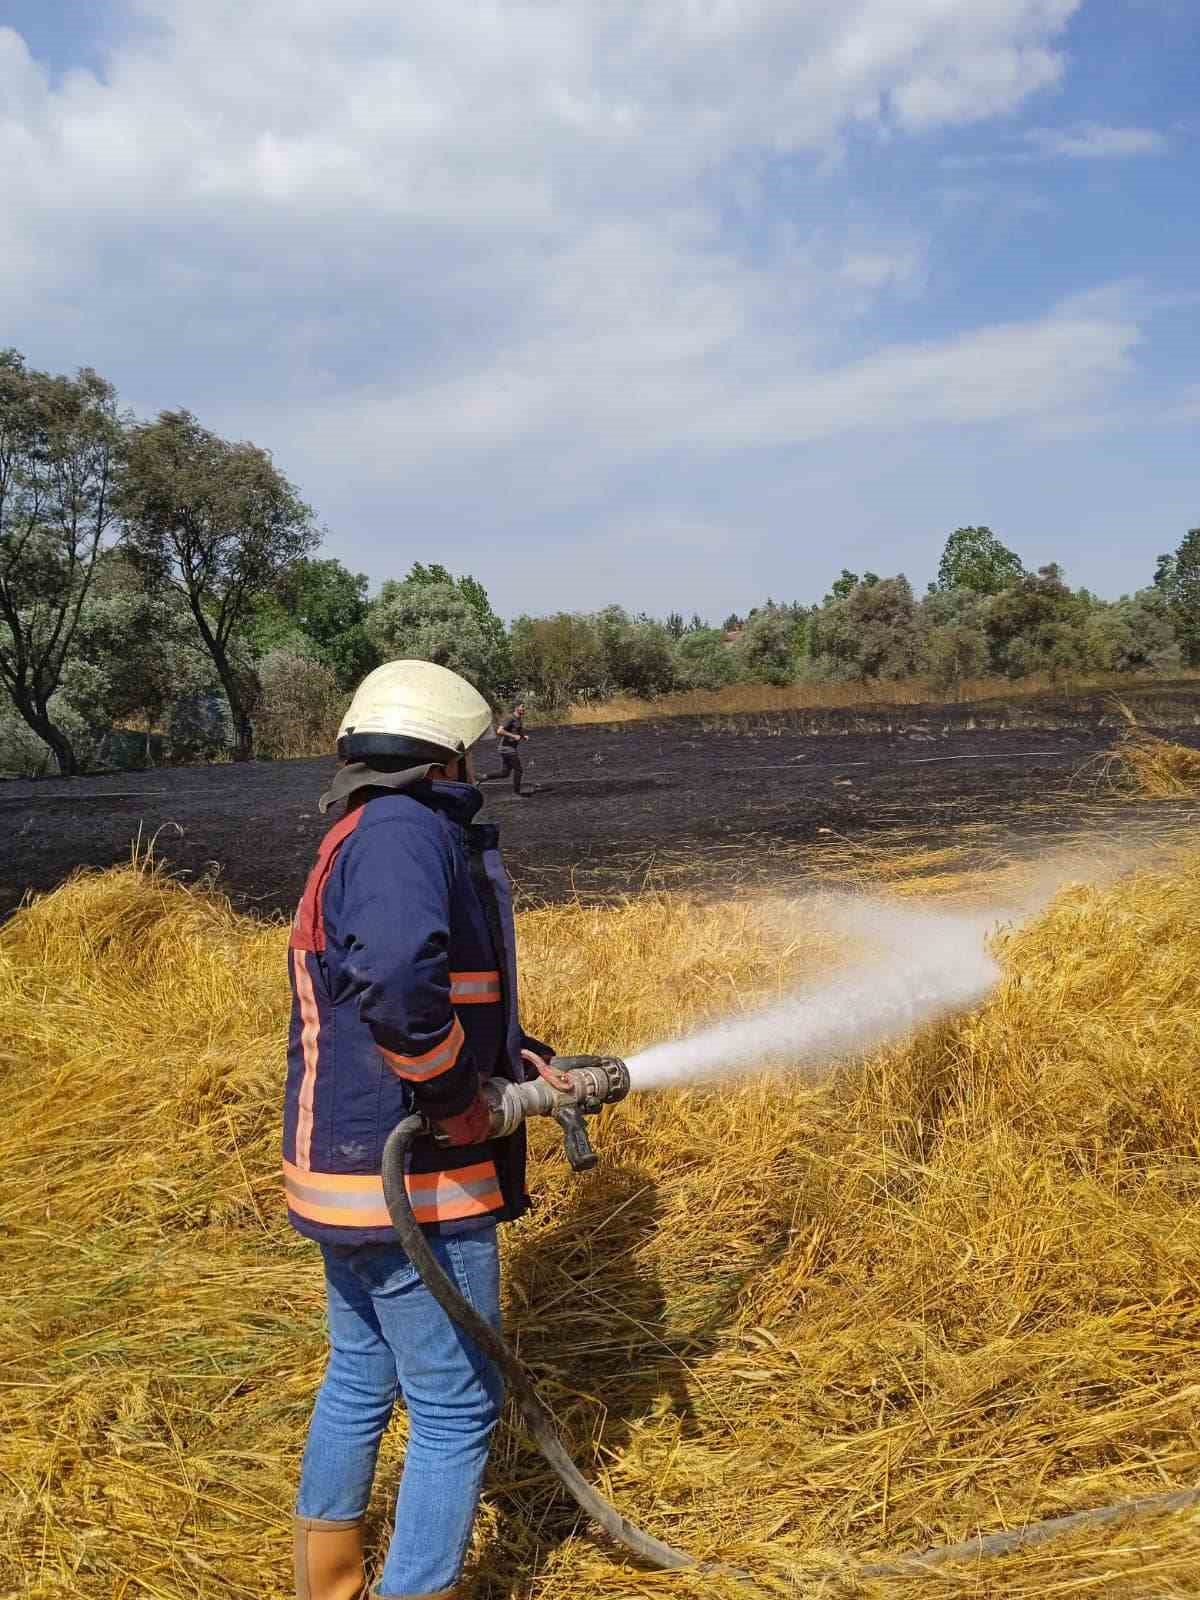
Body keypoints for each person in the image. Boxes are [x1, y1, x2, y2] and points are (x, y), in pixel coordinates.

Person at [285, 660, 553, 1600]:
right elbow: (401, 986)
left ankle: (329, 1584)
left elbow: (429, 996)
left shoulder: (360, 830)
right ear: (444, 755)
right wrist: (456, 1102)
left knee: (361, 1373)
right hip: (419, 1184)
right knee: (455, 1408)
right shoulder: (407, 832)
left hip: (343, 1172)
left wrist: (519, 1058)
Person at [480, 702, 528, 796]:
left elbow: (517, 731)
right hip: (507, 749)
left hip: (508, 748)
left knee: (504, 773)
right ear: (516, 708)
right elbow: (499, 730)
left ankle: (484, 777)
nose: (524, 709)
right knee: (518, 770)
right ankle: (517, 792)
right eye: (522, 707)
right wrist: (513, 736)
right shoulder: (510, 718)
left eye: (524, 707)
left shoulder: (518, 719)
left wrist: (523, 736)